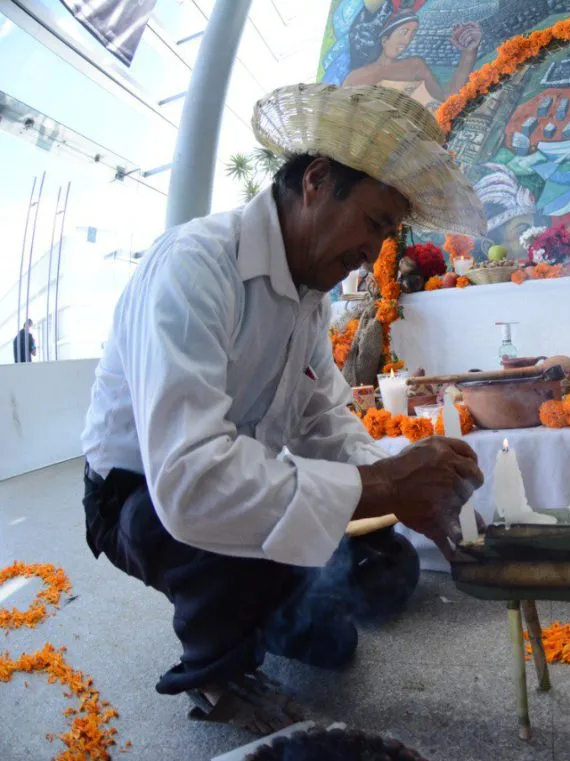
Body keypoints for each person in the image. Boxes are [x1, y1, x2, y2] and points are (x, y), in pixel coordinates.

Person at [80, 84, 488, 735]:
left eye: (389, 235)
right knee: (224, 545)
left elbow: (325, 420)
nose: (375, 253)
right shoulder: (195, 267)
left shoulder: (308, 297)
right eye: (375, 224)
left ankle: (265, 600)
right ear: (317, 181)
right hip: (142, 496)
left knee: (384, 568)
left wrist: (407, 479)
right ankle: (217, 669)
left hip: (228, 481)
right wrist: (383, 484)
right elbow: (190, 479)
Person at [341, 9, 482, 112]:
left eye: (412, 34)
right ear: (385, 40)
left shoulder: (415, 65)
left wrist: (469, 53)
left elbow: (447, 98)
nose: (407, 40)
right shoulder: (357, 78)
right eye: (404, 32)